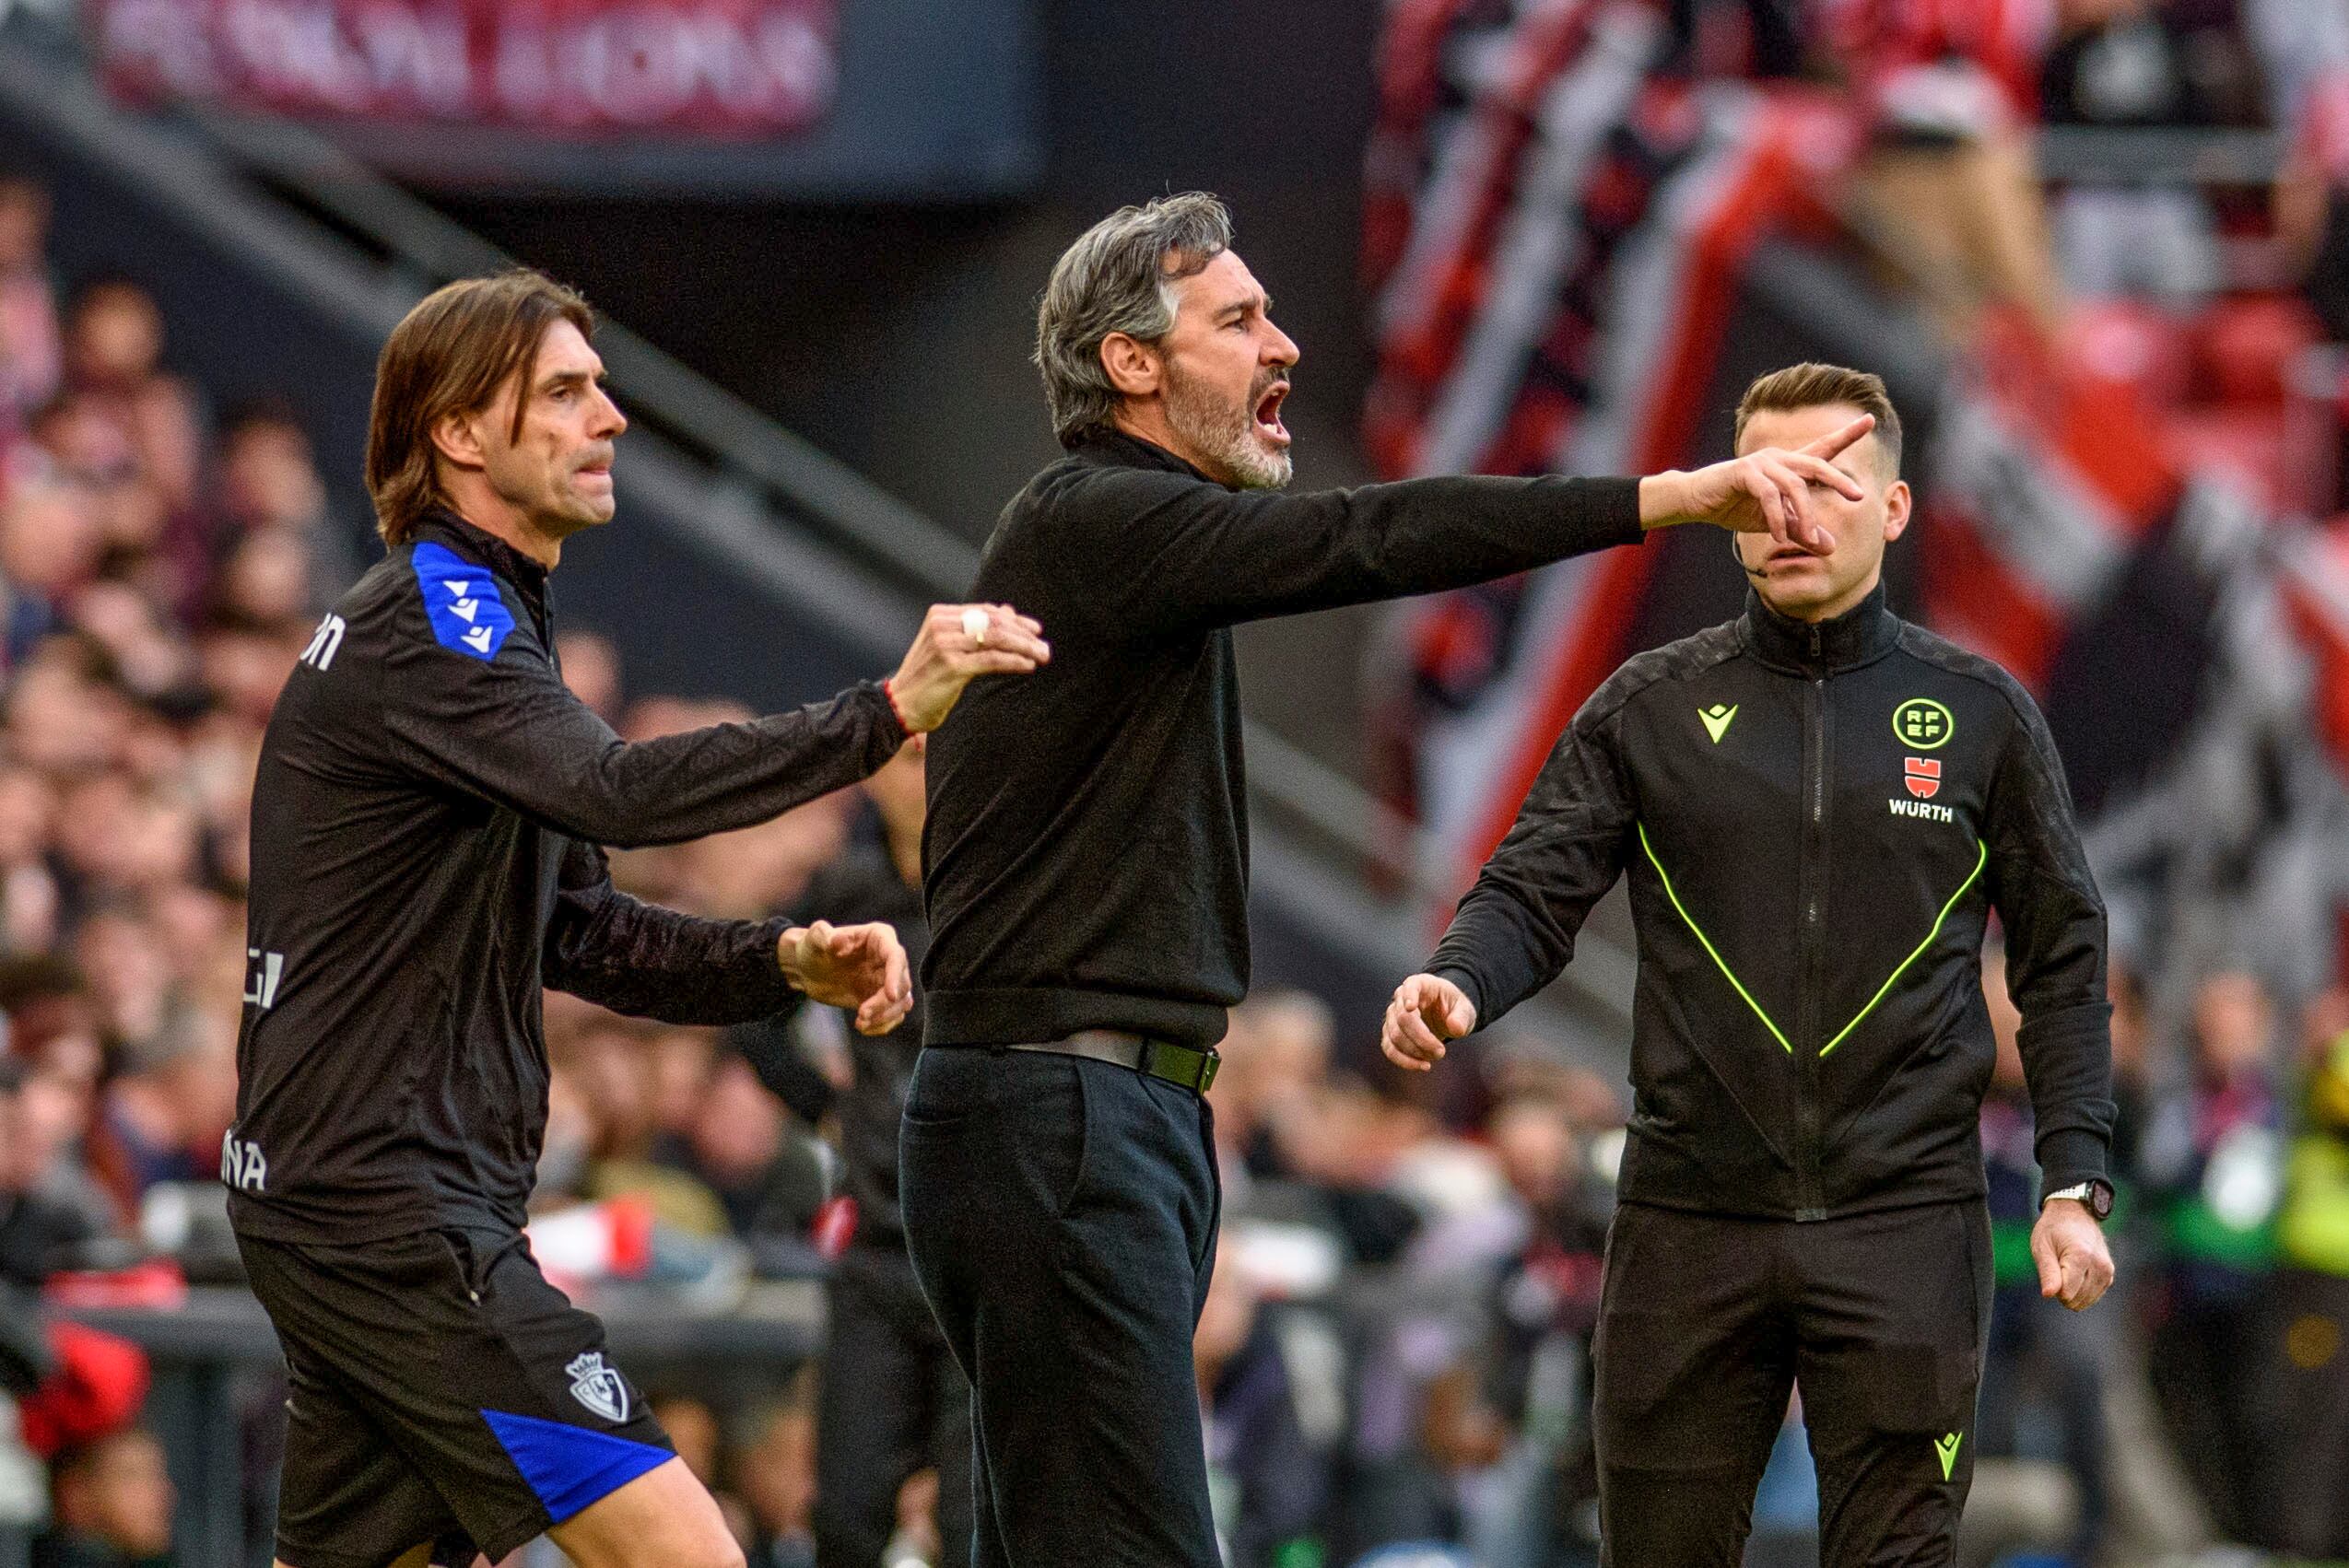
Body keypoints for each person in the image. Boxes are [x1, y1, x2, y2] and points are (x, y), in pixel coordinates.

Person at [906, 193, 1873, 1568]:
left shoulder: (1128, 547)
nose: (1284, 344)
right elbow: (1366, 536)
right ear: (1131, 362)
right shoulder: (1094, 518)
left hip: (1100, 1112)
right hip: (1063, 1115)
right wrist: (1666, 496)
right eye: (1239, 319)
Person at [224, 270, 1046, 1568]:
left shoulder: (473, 631)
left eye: (600, 388)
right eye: (563, 392)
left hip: (353, 1200)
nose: (608, 417)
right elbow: (617, 789)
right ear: (458, 431)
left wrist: (780, 962)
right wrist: (886, 712)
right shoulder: (441, 617)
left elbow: (586, 933)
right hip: (391, 1208)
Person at [1383, 362, 2120, 1566]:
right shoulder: (1648, 706)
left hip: (1904, 1221)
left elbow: (2062, 955)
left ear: (1894, 508)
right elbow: (1527, 889)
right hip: (1687, 1221)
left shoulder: (1981, 714)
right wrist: (1458, 977)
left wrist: (2074, 1180)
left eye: (1827, 482)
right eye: (1762, 484)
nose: (1789, 510)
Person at [734, 736, 975, 1568]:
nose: (926, 776)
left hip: (979, 1256)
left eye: (941, 755)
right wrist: (827, 1107)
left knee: (975, 1522)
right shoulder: (845, 892)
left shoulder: (997, 895)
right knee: (845, 1513)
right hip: (875, 1247)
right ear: (873, 775)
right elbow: (752, 1006)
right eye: (908, 757)